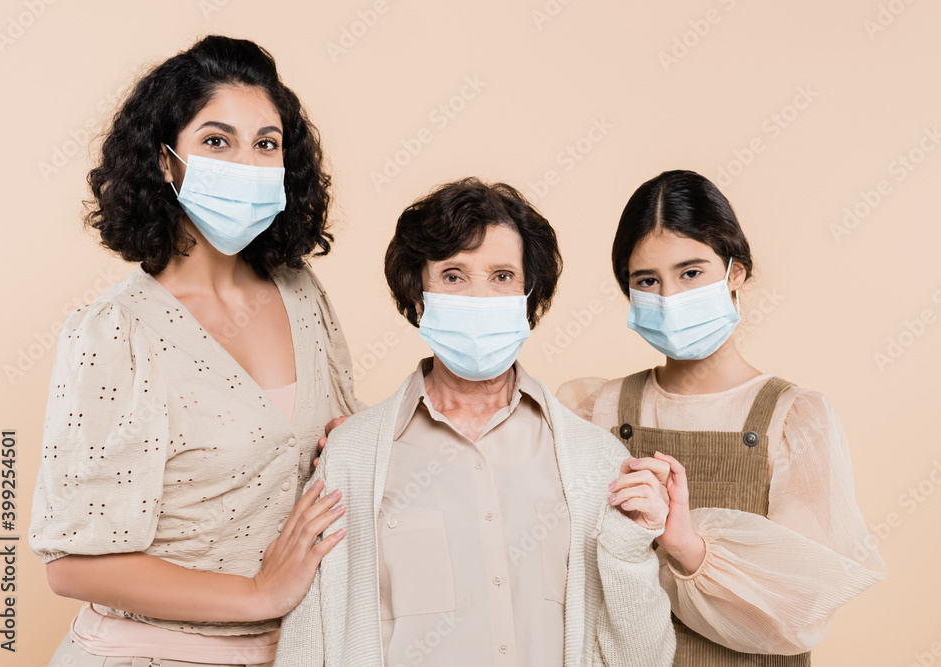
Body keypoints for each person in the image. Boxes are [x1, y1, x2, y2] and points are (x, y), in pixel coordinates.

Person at [28, 35, 361, 667]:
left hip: (295, 650)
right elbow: (72, 566)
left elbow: (326, 451)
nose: (247, 162)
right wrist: (257, 593)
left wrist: (350, 442)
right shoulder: (113, 332)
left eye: (266, 143)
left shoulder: (301, 292)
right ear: (164, 162)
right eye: (216, 140)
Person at [274, 178, 677, 666]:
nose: (480, 296)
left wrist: (632, 550)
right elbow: (307, 642)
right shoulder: (349, 459)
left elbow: (643, 658)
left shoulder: (597, 464)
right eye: (453, 275)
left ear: (529, 299)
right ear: (418, 297)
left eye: (502, 276)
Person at [557, 170, 887, 665]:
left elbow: (799, 610)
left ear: (736, 271)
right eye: (648, 280)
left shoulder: (794, 418)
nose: (669, 299)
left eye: (690, 273)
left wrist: (688, 547)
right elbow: (570, 584)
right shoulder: (593, 409)